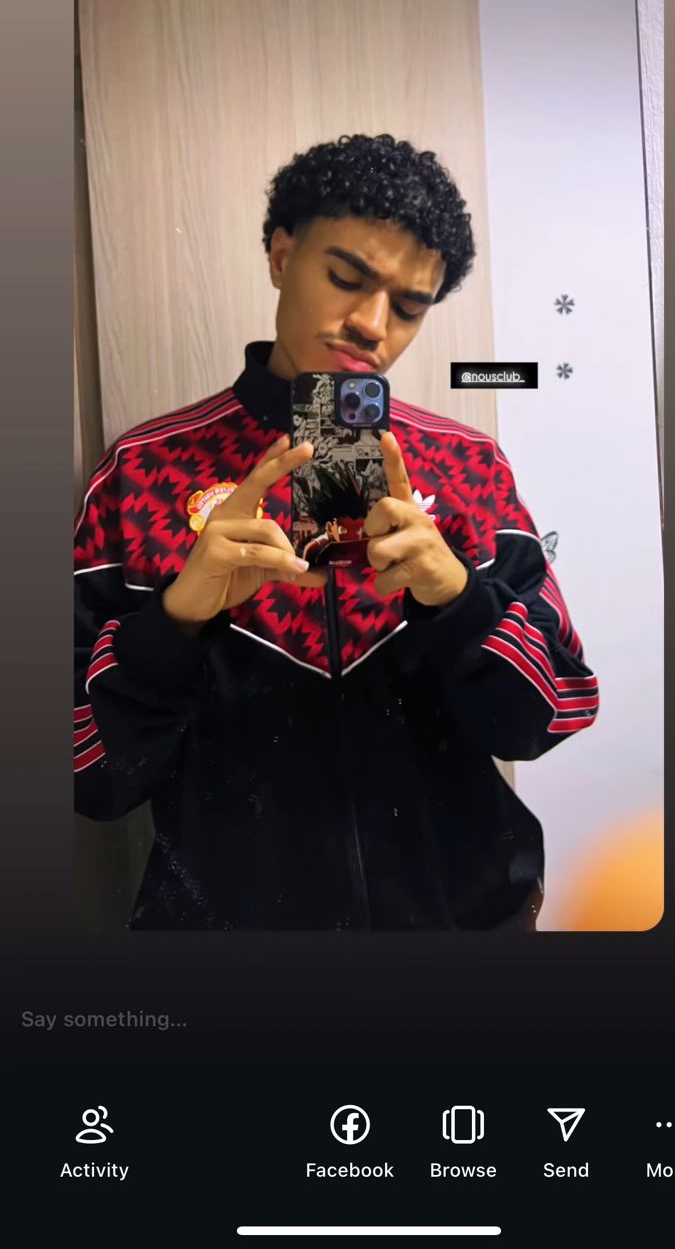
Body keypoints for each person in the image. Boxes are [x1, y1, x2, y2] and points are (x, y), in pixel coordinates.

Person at [74, 133, 600, 930]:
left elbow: (551, 712)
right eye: (347, 279)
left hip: (465, 927)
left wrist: (457, 600)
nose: (371, 325)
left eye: (409, 307)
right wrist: (175, 621)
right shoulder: (142, 469)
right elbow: (89, 777)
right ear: (282, 256)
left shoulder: (467, 464)